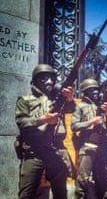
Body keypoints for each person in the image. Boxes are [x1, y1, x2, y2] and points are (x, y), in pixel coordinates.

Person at [15, 64, 75, 199]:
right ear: (35, 80)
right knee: (27, 194)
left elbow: (71, 109)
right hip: (34, 152)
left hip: (55, 151)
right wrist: (43, 119)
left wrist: (69, 98)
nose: (49, 82)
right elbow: (22, 122)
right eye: (44, 78)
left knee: (61, 194)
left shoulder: (58, 99)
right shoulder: (25, 100)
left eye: (51, 78)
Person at [71, 78, 107, 199]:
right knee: (83, 178)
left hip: (102, 145)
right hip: (87, 144)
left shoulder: (101, 106)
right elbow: (74, 126)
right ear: (86, 92)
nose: (95, 92)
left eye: (96, 89)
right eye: (92, 90)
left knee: (104, 176)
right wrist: (90, 123)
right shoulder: (80, 106)